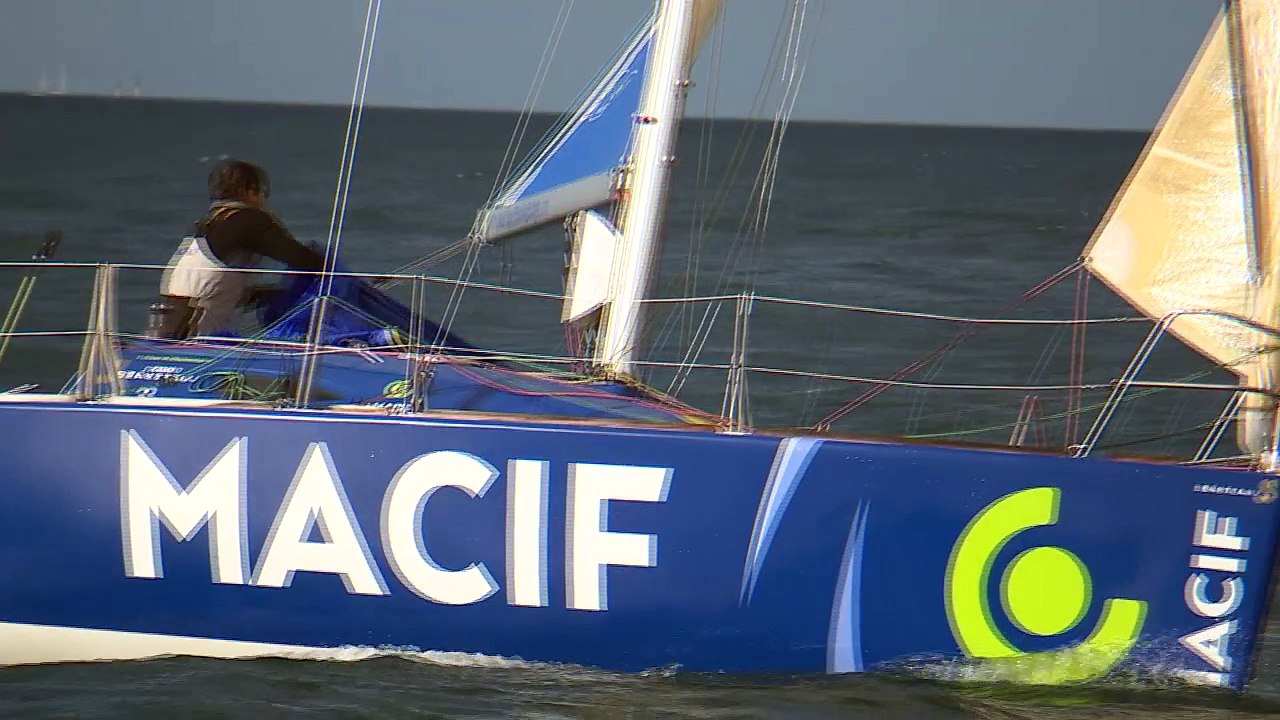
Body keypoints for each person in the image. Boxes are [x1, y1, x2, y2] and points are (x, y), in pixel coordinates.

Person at [155, 159, 325, 338]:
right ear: (250, 190)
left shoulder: (204, 225)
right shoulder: (250, 220)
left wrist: (268, 294)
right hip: (199, 334)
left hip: (168, 327)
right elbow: (303, 259)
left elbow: (211, 281)